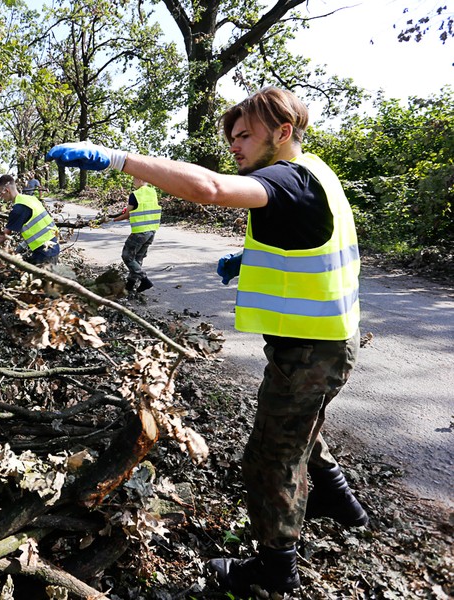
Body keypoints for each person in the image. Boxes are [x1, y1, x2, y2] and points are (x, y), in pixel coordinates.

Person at [47, 86, 367, 597]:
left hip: (311, 349)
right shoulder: (316, 176)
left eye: (246, 135)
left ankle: (274, 569)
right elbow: (311, 235)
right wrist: (252, 261)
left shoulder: (284, 177)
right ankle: (340, 502)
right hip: (321, 342)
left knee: (270, 458)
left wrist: (119, 158)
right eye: (232, 137)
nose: (235, 146)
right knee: (300, 426)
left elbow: (211, 190)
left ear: (282, 133)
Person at [0, 173, 60, 265]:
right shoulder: (30, 199)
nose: (0, 196)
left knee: (41, 278)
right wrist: (20, 248)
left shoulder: (19, 209)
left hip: (44, 252)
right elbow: (35, 227)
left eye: (0, 193)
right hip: (53, 245)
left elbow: (3, 236)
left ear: (7, 190)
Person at [111, 177, 161, 293]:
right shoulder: (152, 192)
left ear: (139, 179)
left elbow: (127, 214)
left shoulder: (135, 195)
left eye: (134, 179)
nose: (133, 181)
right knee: (138, 258)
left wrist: (114, 219)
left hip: (140, 232)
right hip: (152, 230)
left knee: (127, 256)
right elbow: (142, 208)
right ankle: (130, 285)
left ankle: (145, 280)